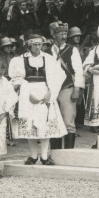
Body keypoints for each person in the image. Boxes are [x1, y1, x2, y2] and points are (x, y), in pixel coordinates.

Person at [8, 34, 68, 165]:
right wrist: (27, 95)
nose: (37, 47)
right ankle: (34, 156)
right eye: (34, 44)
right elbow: (16, 80)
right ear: (29, 45)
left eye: (39, 44)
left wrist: (50, 93)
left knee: (45, 125)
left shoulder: (49, 59)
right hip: (27, 94)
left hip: (45, 92)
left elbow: (58, 77)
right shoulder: (19, 60)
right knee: (31, 126)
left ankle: (45, 157)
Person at [50, 22, 84, 150]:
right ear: (54, 35)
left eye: (65, 33)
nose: (63, 36)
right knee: (54, 121)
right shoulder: (47, 51)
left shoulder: (72, 50)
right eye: (60, 34)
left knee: (69, 122)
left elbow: (78, 71)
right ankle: (55, 152)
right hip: (52, 91)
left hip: (67, 88)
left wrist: (76, 89)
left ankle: (69, 154)